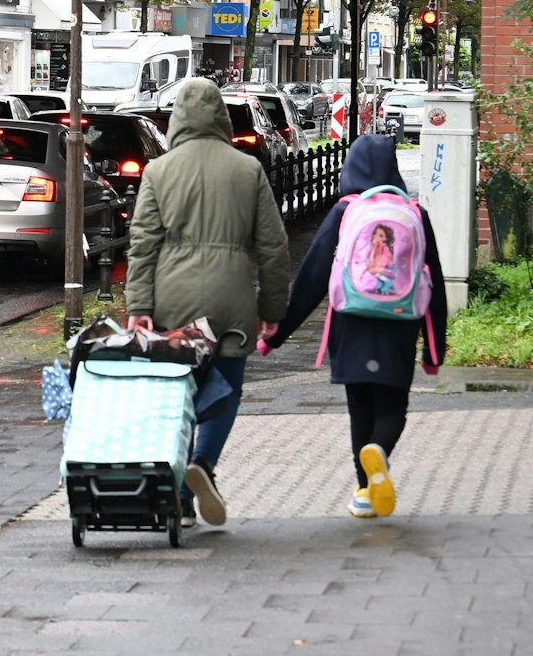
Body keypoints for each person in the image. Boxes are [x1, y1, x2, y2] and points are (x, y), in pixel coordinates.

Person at [124, 77, 291, 527]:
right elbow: (273, 248)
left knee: (176, 395)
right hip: (231, 297)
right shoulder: (247, 169)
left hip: (171, 297)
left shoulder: (159, 171)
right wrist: (273, 311)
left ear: (177, 117)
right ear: (220, 117)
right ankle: (203, 464)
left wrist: (139, 305)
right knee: (227, 387)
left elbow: (142, 244)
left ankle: (178, 497)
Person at [263, 134, 448, 519]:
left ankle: (364, 490)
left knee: (359, 407)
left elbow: (312, 277)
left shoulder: (346, 210)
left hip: (351, 322)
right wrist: (434, 350)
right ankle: (379, 451)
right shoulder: (414, 212)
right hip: (400, 323)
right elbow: (437, 283)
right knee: (393, 406)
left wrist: (276, 336)